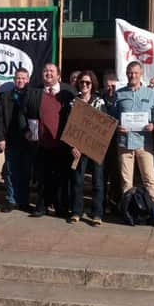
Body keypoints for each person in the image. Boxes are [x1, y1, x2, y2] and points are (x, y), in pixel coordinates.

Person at [113, 61, 154, 229]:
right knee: (126, 181)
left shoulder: (150, 93)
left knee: (150, 179)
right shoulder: (119, 94)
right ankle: (128, 212)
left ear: (141, 74)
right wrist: (116, 126)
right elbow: (112, 116)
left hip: (144, 142)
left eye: (136, 73)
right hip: (125, 142)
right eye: (130, 72)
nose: (132, 75)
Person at [26, 63, 76, 217]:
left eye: (51, 71)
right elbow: (23, 112)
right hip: (41, 142)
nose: (48, 73)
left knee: (61, 177)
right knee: (43, 177)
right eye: (45, 70)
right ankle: (42, 206)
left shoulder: (69, 92)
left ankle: (61, 207)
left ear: (58, 75)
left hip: (63, 143)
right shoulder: (34, 92)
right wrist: (26, 131)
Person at [0, 67, 33, 212]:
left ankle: (23, 201)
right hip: (11, 139)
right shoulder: (5, 96)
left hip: (28, 140)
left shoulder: (32, 95)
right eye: (18, 78)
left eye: (23, 78)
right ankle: (11, 200)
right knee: (10, 172)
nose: (20, 80)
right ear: (14, 79)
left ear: (28, 79)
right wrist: (1, 138)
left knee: (26, 172)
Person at [70, 71, 106, 225]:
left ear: (93, 85)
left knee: (97, 181)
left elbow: (104, 126)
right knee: (78, 181)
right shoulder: (73, 102)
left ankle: (97, 214)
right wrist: (72, 145)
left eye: (87, 83)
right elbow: (69, 125)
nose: (84, 85)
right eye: (82, 82)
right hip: (78, 147)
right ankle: (77, 211)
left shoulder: (100, 102)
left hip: (96, 147)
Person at [101, 71, 120, 211]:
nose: (111, 89)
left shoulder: (121, 99)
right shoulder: (99, 98)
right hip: (101, 141)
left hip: (117, 142)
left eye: (113, 86)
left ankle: (116, 203)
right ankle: (101, 203)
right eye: (108, 86)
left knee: (116, 175)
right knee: (102, 175)